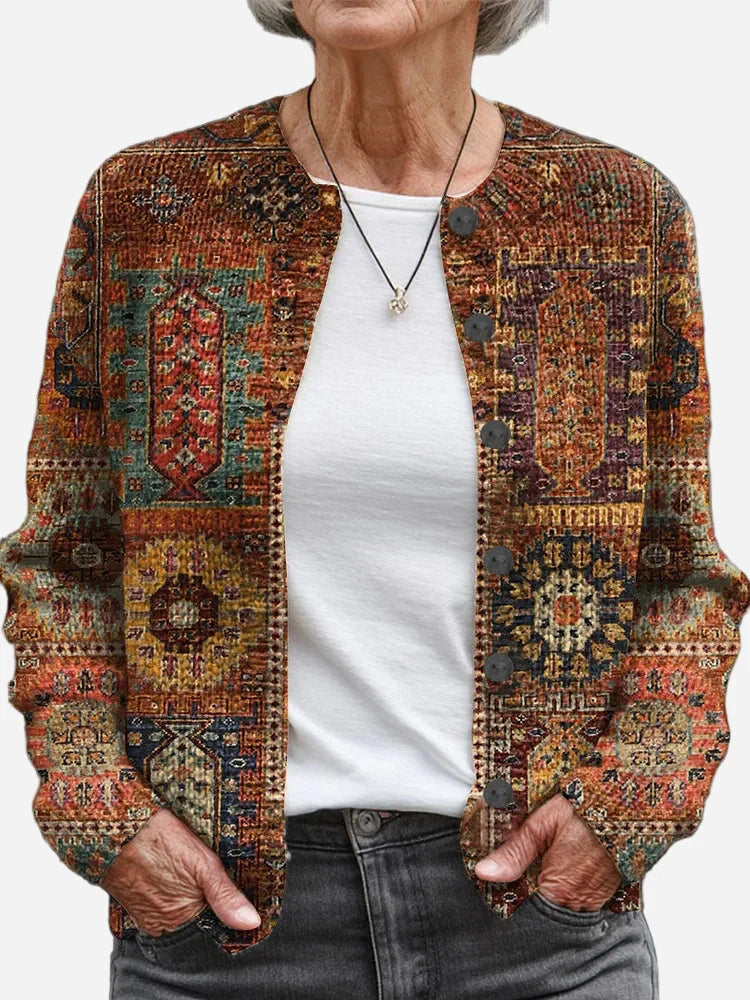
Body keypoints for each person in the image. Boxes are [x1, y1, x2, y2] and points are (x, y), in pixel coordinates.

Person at [1, 1, 747, 997]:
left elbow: (680, 573)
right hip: (225, 933)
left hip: (541, 933)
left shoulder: (616, 213)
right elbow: (65, 559)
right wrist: (104, 811)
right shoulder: (153, 207)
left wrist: (627, 809)